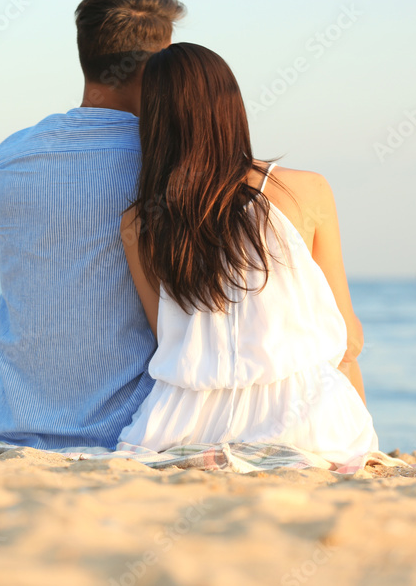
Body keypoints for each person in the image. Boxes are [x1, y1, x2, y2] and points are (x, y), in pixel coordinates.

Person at [118, 43, 378, 464]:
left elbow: (166, 337)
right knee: (342, 357)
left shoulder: (138, 222)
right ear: (231, 107)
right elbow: (349, 339)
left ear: (153, 122)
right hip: (301, 417)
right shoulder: (306, 190)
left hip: (182, 420)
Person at [0, 0, 186, 449]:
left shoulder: (11, 154)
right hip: (122, 429)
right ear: (155, 68)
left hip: (3, 423)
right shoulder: (161, 161)